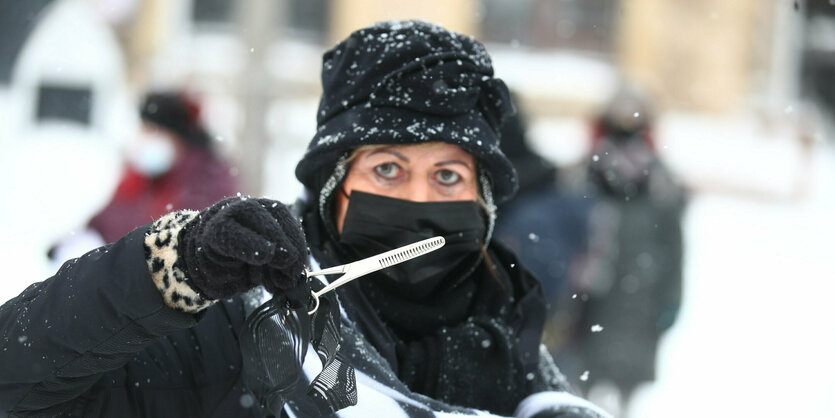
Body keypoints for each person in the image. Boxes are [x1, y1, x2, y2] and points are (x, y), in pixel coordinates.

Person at [0, 21, 608, 418]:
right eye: (389, 170)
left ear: (483, 204)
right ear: (331, 188)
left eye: (448, 176)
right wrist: (165, 272)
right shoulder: (238, 331)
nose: (422, 199)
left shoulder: (518, 361)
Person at [561, 85, 686, 416]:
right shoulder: (580, 176)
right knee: (577, 387)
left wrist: (671, 300)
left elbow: (674, 249)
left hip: (639, 301)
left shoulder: (662, 185)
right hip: (586, 303)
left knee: (625, 392)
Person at [48, 91, 238, 264]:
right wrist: (74, 243)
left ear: (177, 137)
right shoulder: (141, 175)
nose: (145, 139)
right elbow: (108, 220)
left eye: (153, 131)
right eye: (144, 130)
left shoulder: (208, 179)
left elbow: (190, 242)